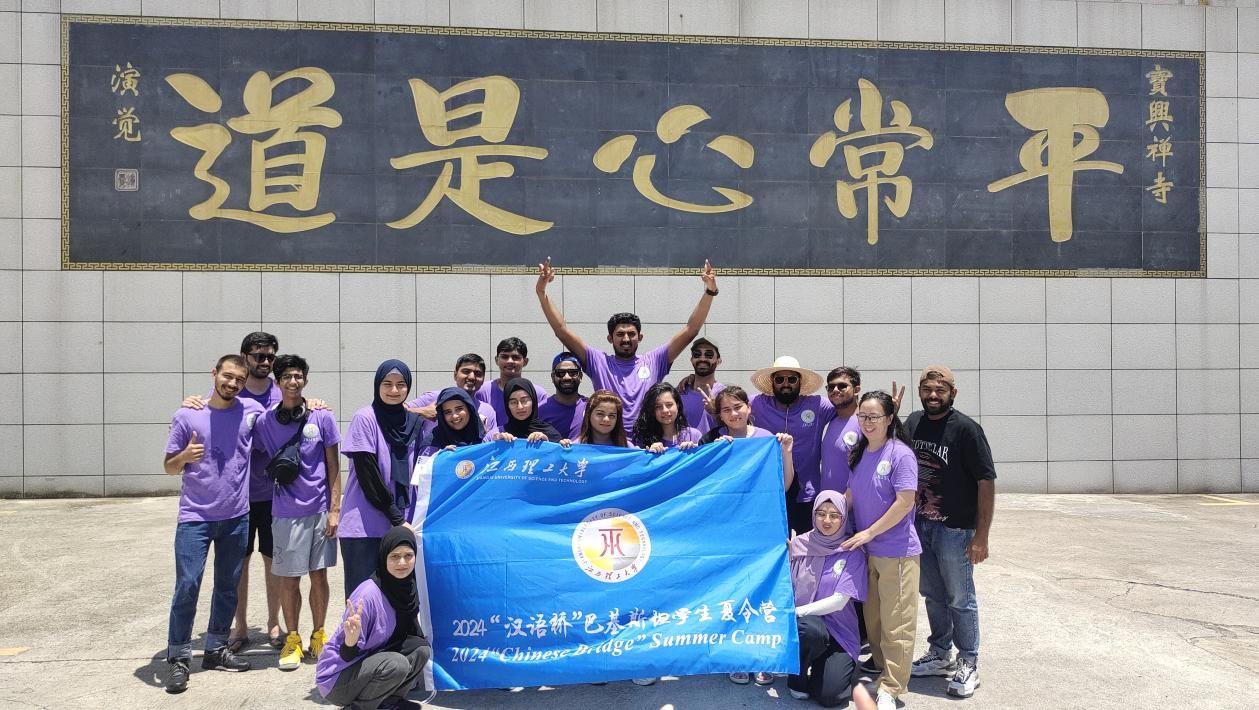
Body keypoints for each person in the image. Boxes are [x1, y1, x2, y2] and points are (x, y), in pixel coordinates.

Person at [181, 331, 330, 651]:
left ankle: (275, 623)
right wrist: (190, 403)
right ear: (244, 357)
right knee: (240, 564)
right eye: (258, 356)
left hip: (278, 497)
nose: (264, 362)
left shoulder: (282, 390)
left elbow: (303, 408)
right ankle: (240, 626)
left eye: (270, 357)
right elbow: (206, 411)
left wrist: (315, 403)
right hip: (239, 496)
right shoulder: (232, 390)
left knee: (274, 561)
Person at [161, 354, 264, 694]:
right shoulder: (187, 414)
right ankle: (178, 657)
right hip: (195, 518)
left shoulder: (251, 411)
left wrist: (313, 404)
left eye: (239, 379)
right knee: (187, 586)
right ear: (215, 374)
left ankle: (216, 648)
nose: (232, 383)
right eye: (227, 376)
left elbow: (285, 415)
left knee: (227, 587)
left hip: (236, 516)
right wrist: (184, 456)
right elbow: (169, 467)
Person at [535, 257, 718, 436]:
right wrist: (542, 292)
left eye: (631, 334)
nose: (626, 339)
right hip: (612, 443)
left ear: (640, 337)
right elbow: (561, 331)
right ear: (610, 338)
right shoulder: (598, 362)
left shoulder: (655, 360)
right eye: (620, 334)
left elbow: (690, 330)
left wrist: (709, 291)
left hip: (649, 443)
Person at [905, 366, 996, 699]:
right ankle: (940, 653)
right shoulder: (913, 422)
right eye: (927, 389)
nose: (933, 395)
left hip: (955, 529)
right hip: (921, 525)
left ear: (952, 394)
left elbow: (986, 481)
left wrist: (981, 536)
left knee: (960, 597)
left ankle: (968, 660)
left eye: (940, 390)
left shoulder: (967, 430)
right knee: (933, 594)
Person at [251, 354, 342, 672]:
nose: (293, 381)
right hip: (285, 513)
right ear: (278, 383)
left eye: (298, 376)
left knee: (319, 576)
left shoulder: (322, 417)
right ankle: (293, 639)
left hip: (319, 510)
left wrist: (335, 510)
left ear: (305, 380)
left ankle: (319, 634)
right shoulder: (265, 421)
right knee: (289, 579)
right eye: (287, 377)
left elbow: (333, 466)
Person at [706, 384, 796, 688]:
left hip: (763, 528)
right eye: (726, 409)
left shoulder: (767, 439)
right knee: (731, 591)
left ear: (749, 408)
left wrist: (786, 452)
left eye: (738, 407)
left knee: (763, 590)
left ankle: (763, 655)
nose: (733, 413)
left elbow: (784, 485)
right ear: (719, 415)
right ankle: (736, 656)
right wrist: (717, 453)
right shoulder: (714, 440)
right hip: (729, 531)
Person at [841, 391, 921, 710]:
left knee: (896, 621)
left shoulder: (901, 454)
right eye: (863, 416)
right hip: (868, 552)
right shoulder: (860, 453)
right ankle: (879, 665)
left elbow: (905, 502)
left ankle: (892, 686)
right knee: (873, 618)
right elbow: (851, 494)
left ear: (889, 418)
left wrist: (870, 532)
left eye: (874, 417)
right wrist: (829, 516)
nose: (868, 422)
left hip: (896, 552)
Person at [316, 526, 432, 710]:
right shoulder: (368, 595)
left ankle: (388, 703)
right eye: (395, 556)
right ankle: (358, 708)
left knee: (421, 649)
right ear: (384, 557)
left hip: (369, 663)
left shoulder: (407, 587)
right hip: (338, 677)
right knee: (397, 664)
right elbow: (346, 655)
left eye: (408, 555)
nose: (402, 562)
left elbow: (411, 636)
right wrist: (351, 640)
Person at [339, 360, 425, 598]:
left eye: (400, 384)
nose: (394, 390)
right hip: (364, 526)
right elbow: (367, 473)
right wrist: (396, 516)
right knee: (362, 597)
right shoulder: (365, 417)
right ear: (377, 385)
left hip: (401, 524)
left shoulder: (414, 423)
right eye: (387, 384)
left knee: (399, 597)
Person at [788, 491, 874, 710]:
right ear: (813, 515)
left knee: (831, 696)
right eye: (821, 513)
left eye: (835, 515)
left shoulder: (851, 551)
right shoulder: (799, 546)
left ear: (844, 518)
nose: (827, 520)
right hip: (808, 628)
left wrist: (797, 611)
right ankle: (797, 676)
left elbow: (839, 601)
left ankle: (826, 669)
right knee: (811, 630)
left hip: (839, 631)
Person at [749, 356, 834, 536]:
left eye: (792, 379)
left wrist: (887, 411)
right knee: (779, 545)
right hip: (773, 492)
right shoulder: (755, 404)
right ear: (772, 382)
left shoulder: (818, 405)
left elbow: (849, 410)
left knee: (809, 547)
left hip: (808, 493)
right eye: (780, 379)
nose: (785, 384)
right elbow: (730, 406)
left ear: (800, 381)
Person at [405, 354, 498, 437]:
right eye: (466, 371)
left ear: (483, 379)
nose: (472, 377)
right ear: (455, 374)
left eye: (478, 374)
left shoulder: (487, 411)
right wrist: (422, 411)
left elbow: (492, 442)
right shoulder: (433, 398)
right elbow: (398, 411)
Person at [478, 338, 547, 426]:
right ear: (496, 360)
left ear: (525, 362)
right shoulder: (483, 391)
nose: (509, 361)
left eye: (515, 357)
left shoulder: (538, 393)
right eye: (504, 357)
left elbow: (542, 425)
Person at [631, 382, 703, 452]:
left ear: (677, 405)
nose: (665, 410)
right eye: (658, 406)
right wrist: (649, 454)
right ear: (652, 410)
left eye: (669, 405)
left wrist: (693, 451)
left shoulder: (694, 436)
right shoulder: (643, 439)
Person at [676, 337, 725, 433]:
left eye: (709, 355)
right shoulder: (679, 393)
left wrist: (716, 413)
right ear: (691, 360)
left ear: (718, 361)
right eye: (697, 354)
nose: (702, 359)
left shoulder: (726, 394)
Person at [494, 378, 563, 443]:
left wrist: (546, 444)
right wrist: (497, 446)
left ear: (533, 401)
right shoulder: (498, 434)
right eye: (513, 402)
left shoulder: (551, 435)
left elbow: (560, 450)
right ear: (507, 406)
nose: (520, 407)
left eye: (524, 401)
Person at [538, 352, 587, 439]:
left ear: (581, 376)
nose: (567, 377)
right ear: (552, 377)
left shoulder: (590, 408)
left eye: (573, 373)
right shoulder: (539, 410)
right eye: (560, 373)